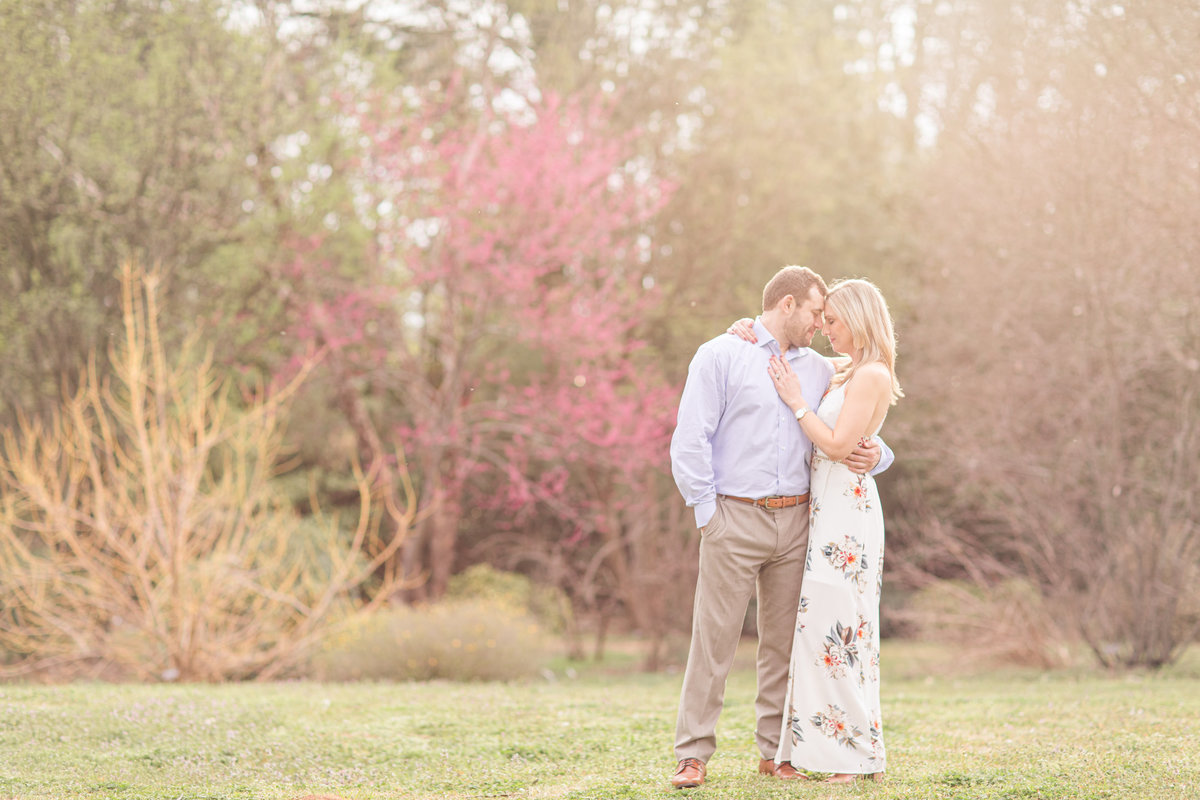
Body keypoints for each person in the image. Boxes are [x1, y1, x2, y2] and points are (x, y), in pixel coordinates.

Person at [667, 266, 894, 789]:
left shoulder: (819, 368)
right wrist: (708, 514)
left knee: (785, 644)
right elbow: (690, 439)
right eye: (817, 312)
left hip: (800, 522)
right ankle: (693, 754)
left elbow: (865, 400)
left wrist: (881, 453)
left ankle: (777, 752)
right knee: (714, 639)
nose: (822, 322)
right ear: (787, 305)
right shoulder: (721, 354)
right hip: (733, 517)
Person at [762, 277, 902, 783]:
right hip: (827, 512)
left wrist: (798, 403)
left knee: (841, 629)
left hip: (847, 519)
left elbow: (842, 446)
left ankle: (852, 753)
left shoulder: (872, 376)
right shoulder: (850, 372)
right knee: (827, 628)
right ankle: (841, 748)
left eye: (833, 321)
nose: (824, 330)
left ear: (860, 319)